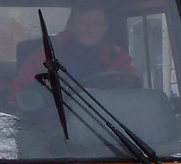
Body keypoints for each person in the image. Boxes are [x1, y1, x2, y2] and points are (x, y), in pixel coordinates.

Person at [10, 6, 140, 100]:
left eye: (96, 23)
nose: (89, 29)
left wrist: (103, 95)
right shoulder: (45, 55)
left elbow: (133, 96)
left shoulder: (118, 58)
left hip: (107, 129)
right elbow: (17, 94)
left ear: (105, 27)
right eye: (83, 22)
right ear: (70, 25)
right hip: (55, 126)